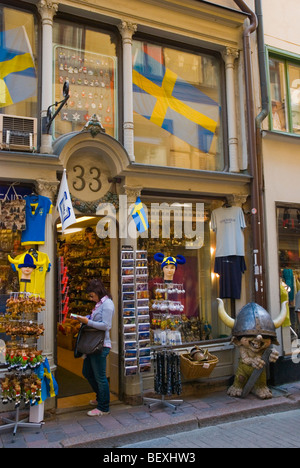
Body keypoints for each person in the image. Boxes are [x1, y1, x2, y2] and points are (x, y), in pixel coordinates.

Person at [75, 278, 114, 417]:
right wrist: (86, 318)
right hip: (93, 345)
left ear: (98, 292)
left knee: (100, 377)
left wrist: (88, 322)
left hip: (100, 345)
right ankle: (100, 398)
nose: (91, 298)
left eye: (92, 295)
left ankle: (103, 407)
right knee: (87, 372)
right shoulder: (99, 304)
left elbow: (106, 326)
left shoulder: (108, 304)